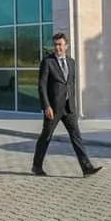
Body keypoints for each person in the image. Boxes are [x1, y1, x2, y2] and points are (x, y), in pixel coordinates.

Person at [31, 33, 101, 178]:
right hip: (54, 108)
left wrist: (74, 104)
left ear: (66, 46)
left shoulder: (71, 62)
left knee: (76, 136)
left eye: (60, 44)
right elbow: (42, 86)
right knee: (46, 136)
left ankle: (86, 167)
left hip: (69, 108)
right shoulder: (47, 62)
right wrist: (46, 106)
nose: (57, 47)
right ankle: (37, 166)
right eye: (55, 44)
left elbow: (71, 84)